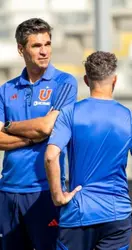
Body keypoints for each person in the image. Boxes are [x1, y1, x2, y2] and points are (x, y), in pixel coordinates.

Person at [45, 51, 132, 250]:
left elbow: (51, 156)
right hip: (117, 214)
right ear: (115, 80)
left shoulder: (70, 113)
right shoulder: (130, 119)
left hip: (78, 213)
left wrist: (58, 196)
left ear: (86, 80)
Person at [0, 18, 77, 250]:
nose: (44, 51)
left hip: (44, 191)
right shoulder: (6, 89)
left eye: (47, 44)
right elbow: (39, 131)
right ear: (21, 49)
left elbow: (47, 127)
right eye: (36, 46)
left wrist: (8, 125)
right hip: (8, 190)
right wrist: (34, 136)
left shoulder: (64, 82)